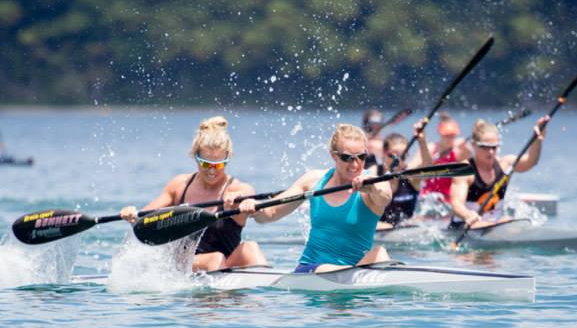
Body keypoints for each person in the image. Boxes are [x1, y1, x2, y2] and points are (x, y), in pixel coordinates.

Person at [119, 116, 268, 272]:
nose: (211, 171)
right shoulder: (179, 186)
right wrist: (133, 215)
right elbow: (146, 219)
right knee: (215, 258)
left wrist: (251, 206)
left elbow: (256, 206)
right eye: (205, 164)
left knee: (250, 247)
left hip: (226, 265)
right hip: (185, 266)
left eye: (218, 165)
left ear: (228, 158)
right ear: (195, 156)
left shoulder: (239, 189)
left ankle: (267, 284)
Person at [250, 123, 393, 274]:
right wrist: (256, 209)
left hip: (354, 273)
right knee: (341, 270)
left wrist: (371, 187)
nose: (355, 164)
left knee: (380, 253)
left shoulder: (374, 183)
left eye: (361, 157)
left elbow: (385, 198)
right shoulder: (314, 181)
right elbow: (271, 213)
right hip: (312, 269)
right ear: (334, 155)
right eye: (347, 158)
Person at [449, 116, 551, 229]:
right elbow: (456, 204)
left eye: (494, 147)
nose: (490, 152)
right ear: (473, 145)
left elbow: (531, 161)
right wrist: (468, 215)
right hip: (465, 226)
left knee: (509, 220)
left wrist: (537, 139)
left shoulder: (505, 165)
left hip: (494, 225)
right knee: (502, 223)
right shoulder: (465, 171)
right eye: (484, 147)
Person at [375, 121, 435, 229]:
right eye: (393, 156)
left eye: (402, 156)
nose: (398, 160)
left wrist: (422, 141)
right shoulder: (374, 173)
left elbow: (428, 169)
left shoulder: (410, 177)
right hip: (378, 228)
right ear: (384, 153)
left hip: (406, 230)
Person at [419, 112, 471, 205]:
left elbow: (470, 152)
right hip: (427, 197)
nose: (449, 139)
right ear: (440, 134)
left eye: (452, 136)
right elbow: (417, 170)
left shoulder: (458, 151)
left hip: (447, 200)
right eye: (446, 136)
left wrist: (466, 145)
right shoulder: (431, 148)